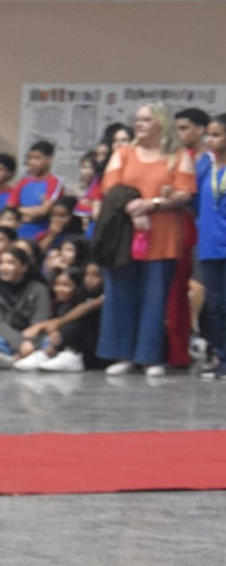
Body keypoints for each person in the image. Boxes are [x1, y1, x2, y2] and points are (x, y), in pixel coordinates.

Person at [97, 101, 196, 377]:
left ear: (160, 123)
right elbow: (110, 187)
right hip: (124, 236)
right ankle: (123, 355)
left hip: (163, 237)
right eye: (137, 119)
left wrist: (152, 204)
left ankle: (150, 357)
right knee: (121, 295)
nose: (138, 124)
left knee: (155, 298)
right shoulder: (123, 153)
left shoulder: (178, 156)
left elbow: (184, 192)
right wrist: (133, 206)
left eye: (146, 120)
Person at [0, 243, 51, 369]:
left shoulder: (38, 289)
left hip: (32, 337)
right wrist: (20, 344)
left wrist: (28, 342)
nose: (4, 267)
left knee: (50, 341)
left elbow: (40, 320)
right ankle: (24, 359)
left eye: (10, 263)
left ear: (23, 267)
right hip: (4, 336)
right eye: (1, 263)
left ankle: (15, 360)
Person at [13, 269, 101, 372]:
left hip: (90, 353)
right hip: (61, 343)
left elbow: (84, 309)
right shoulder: (60, 305)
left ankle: (55, 353)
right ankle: (43, 354)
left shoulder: (86, 303)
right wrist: (52, 328)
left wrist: (55, 325)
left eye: (66, 285)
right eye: (57, 285)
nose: (59, 289)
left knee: (77, 322)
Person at [195, 113, 226, 379]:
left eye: (217, 135)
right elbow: (192, 200)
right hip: (210, 248)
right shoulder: (206, 167)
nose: (210, 140)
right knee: (215, 306)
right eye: (209, 135)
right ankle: (222, 357)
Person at [10, 141, 64, 244]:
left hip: (42, 234)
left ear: (49, 159)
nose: (32, 162)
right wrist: (23, 213)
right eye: (30, 158)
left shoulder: (54, 182)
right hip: (19, 231)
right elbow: (10, 208)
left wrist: (19, 211)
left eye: (37, 158)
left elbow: (44, 210)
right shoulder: (23, 182)